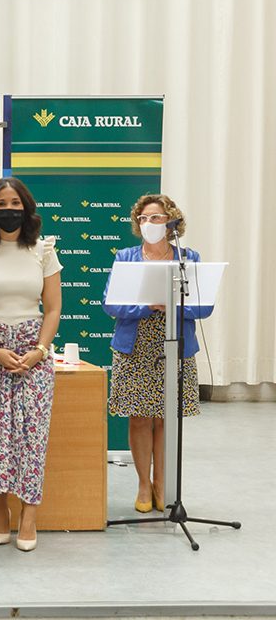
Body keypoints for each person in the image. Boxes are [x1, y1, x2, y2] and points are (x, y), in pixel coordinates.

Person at [0, 176, 61, 552]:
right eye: (1, 204)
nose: (8, 210)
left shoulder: (43, 251)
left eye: (14, 204)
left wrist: (39, 351)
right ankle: (0, 511)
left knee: (33, 438)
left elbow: (53, 309)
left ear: (26, 208)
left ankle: (28, 516)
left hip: (34, 354)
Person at [103, 194, 210, 513]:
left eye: (156, 218)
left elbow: (204, 306)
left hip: (175, 346)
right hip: (136, 348)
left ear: (171, 222)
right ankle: (143, 484)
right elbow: (111, 304)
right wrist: (146, 306)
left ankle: (162, 483)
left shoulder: (188, 258)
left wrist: (173, 305)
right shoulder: (126, 257)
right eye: (143, 218)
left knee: (166, 418)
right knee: (139, 418)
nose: (148, 223)